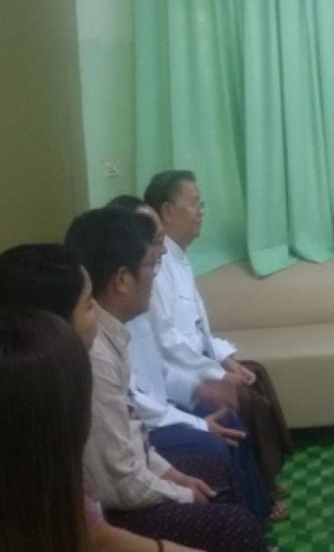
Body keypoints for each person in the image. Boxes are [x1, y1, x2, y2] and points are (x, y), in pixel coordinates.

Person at [65, 208, 269, 551]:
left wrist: (174, 476)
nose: (156, 275)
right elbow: (120, 479)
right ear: (122, 279)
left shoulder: (115, 331)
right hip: (119, 505)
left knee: (221, 462)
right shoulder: (95, 353)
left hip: (139, 461)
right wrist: (181, 491)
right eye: (152, 264)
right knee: (233, 516)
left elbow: (134, 429)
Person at [0, 245, 206, 552]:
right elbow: (107, 511)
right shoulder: (60, 382)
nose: (100, 316)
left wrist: (175, 478)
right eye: (89, 305)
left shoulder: (31, 383)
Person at [108, 195, 276, 522]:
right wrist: (205, 394)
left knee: (233, 405)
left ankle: (258, 504)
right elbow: (139, 395)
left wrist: (201, 384)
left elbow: (164, 361)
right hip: (152, 422)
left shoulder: (146, 291)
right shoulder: (119, 318)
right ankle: (248, 512)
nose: (160, 251)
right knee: (220, 433)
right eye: (152, 240)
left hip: (163, 403)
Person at [142, 170, 292, 502]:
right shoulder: (157, 268)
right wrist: (217, 374)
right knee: (242, 396)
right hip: (179, 374)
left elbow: (199, 329)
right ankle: (259, 491)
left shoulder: (178, 258)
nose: (201, 212)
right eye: (195, 204)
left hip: (195, 364)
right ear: (167, 211)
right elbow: (168, 342)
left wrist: (226, 360)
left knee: (256, 373)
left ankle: (266, 478)